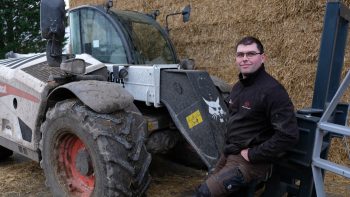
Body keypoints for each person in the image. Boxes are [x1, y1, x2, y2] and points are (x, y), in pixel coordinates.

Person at [195, 36, 299, 197]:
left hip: (252, 161)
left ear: (262, 57)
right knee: (207, 185)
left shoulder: (273, 91)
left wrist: (253, 154)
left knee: (204, 193)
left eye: (250, 54)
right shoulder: (237, 88)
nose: (244, 59)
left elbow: (288, 136)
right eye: (240, 54)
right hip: (230, 152)